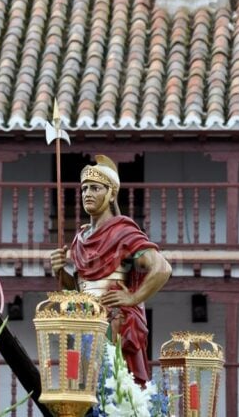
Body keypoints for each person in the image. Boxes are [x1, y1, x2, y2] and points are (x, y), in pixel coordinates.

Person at [50, 154, 172, 385]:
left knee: (114, 387)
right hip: (85, 323)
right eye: (84, 188)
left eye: (95, 188)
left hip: (115, 324)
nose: (87, 193)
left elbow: (162, 268)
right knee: (85, 388)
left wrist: (133, 297)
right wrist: (60, 273)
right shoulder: (79, 239)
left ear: (111, 194)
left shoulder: (123, 232)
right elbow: (79, 290)